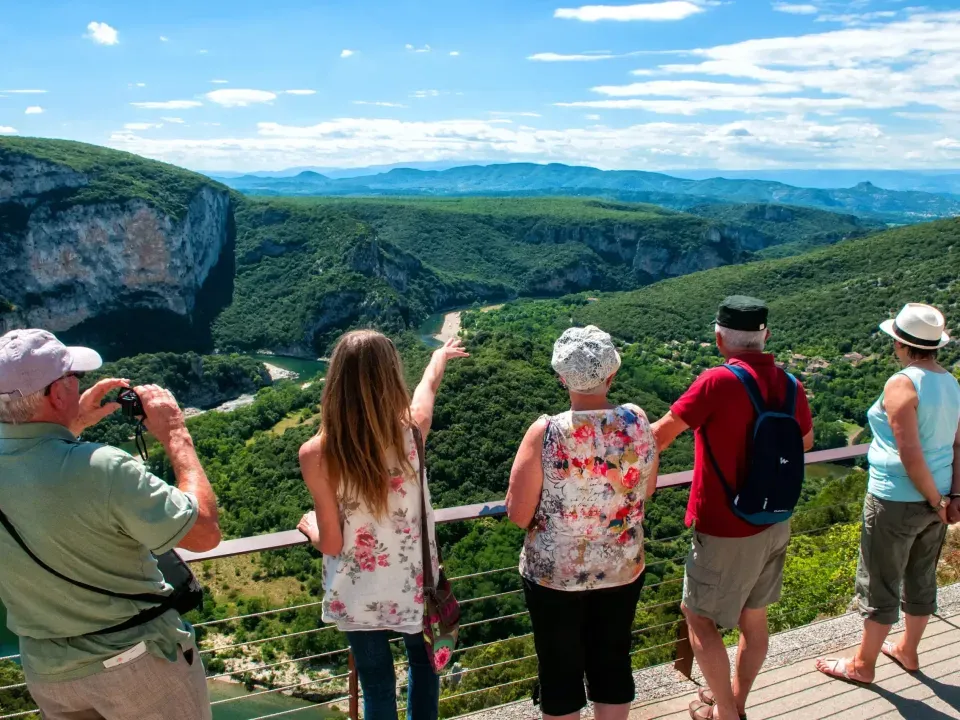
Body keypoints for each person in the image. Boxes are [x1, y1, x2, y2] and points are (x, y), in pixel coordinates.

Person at [0, 329, 221, 720]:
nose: (78, 386)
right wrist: (175, 433)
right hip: (135, 664)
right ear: (56, 394)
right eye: (74, 379)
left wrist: (68, 427)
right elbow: (203, 532)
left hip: (48, 670)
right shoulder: (103, 467)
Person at [652, 297, 814, 720]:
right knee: (753, 620)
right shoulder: (791, 384)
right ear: (766, 337)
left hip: (726, 526)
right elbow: (806, 443)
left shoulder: (717, 382)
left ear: (719, 337)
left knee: (698, 616)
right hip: (774, 520)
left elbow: (660, 436)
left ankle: (725, 712)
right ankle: (735, 702)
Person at [297, 331, 469, 720]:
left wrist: (310, 529)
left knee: (376, 686)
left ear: (335, 382)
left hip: (356, 592)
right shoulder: (413, 431)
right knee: (425, 669)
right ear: (391, 376)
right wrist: (439, 356)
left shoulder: (316, 454)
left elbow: (332, 543)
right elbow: (428, 385)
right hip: (414, 585)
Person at [507, 325, 659, 720]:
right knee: (612, 660)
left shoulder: (546, 432)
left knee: (559, 670)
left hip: (554, 576)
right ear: (612, 374)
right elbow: (645, 490)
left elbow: (519, 514)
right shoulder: (637, 421)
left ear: (561, 377)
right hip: (622, 566)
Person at [816, 303, 960, 684]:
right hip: (940, 496)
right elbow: (958, 444)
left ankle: (863, 665)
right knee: (921, 575)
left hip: (896, 499)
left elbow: (909, 452)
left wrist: (936, 499)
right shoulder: (950, 382)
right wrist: (951, 497)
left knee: (880, 580)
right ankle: (907, 650)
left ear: (900, 342)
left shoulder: (902, 383)